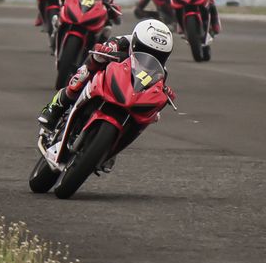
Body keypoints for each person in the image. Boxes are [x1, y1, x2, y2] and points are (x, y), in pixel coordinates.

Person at [37, 19, 176, 171]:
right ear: (136, 42)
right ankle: (55, 108)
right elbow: (98, 52)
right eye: (145, 49)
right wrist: (103, 51)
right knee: (82, 75)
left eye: (158, 55)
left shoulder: (162, 70)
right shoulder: (122, 42)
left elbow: (157, 86)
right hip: (108, 77)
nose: (152, 55)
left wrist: (164, 92)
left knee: (153, 116)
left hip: (129, 92)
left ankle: (110, 149)